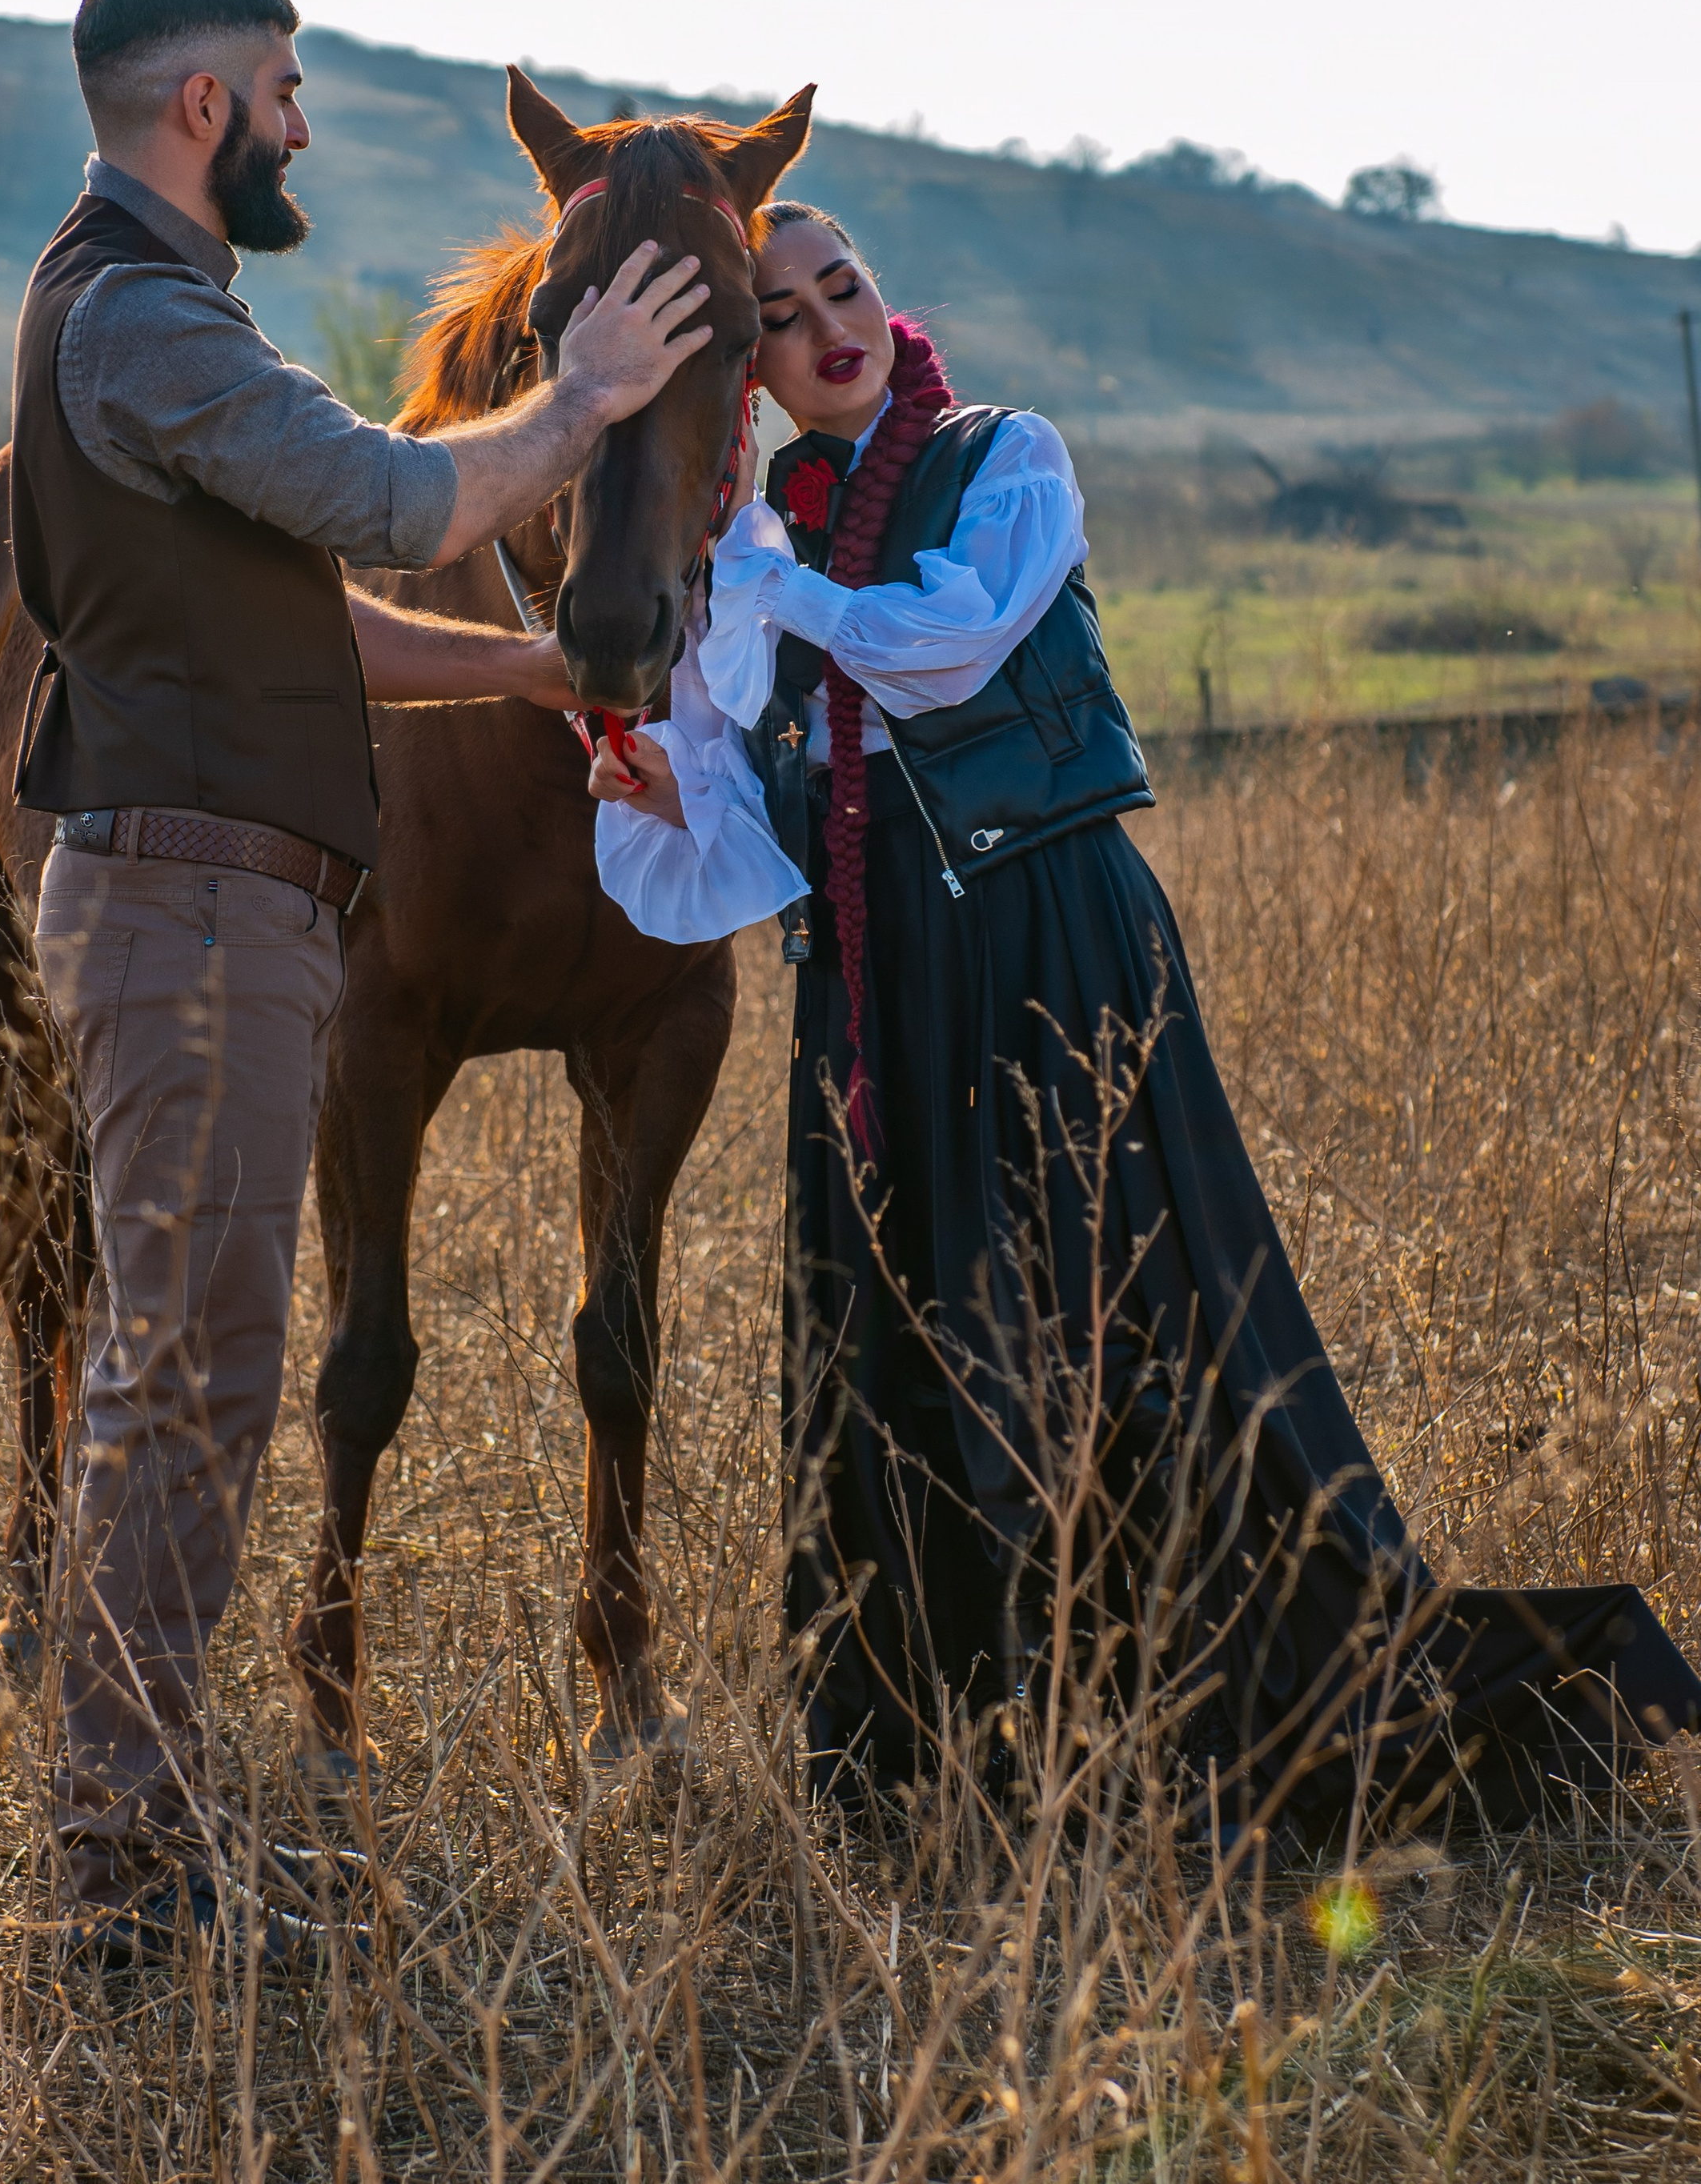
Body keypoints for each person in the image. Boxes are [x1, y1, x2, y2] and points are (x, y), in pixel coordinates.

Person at [588, 198, 1701, 1829]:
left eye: (845, 282)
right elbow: (758, 827)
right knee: (893, 1336)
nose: (826, 320)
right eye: (776, 312)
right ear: (740, 365)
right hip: (871, 978)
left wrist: (763, 575)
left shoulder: (1000, 459)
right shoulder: (764, 541)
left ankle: (1196, 1732)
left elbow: (955, 645)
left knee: (1109, 1322)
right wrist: (662, 760)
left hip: (1046, 943)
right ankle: (948, 1750)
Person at [13, 0, 714, 1962]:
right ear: (201, 108)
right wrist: (581, 396)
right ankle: (123, 1876)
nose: (310, 119)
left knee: (197, 1379)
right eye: (290, 86)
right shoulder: (140, 323)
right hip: (190, 911)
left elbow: (314, 621)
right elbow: (400, 497)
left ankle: (146, 1829)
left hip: (220, 905)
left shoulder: (164, 321)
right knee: (189, 1385)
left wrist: (533, 666)